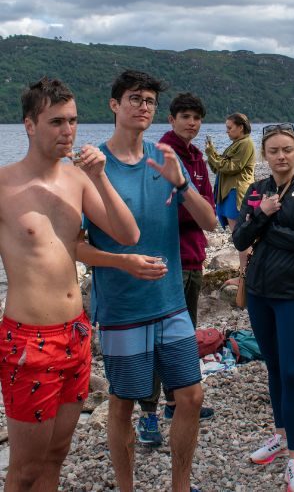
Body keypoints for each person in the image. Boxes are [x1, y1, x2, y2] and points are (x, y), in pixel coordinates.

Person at [78, 70, 218, 492]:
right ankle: (126, 488)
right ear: (114, 105)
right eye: (134, 98)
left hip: (171, 300)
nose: (143, 107)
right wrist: (122, 263)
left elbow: (210, 222)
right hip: (123, 308)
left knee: (191, 396)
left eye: (150, 101)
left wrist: (182, 184)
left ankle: (180, 485)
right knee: (123, 402)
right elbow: (74, 246)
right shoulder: (93, 166)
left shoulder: (165, 160)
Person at [0, 78, 139, 492]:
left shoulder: (77, 180)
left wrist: (99, 177)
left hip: (76, 332)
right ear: (29, 125)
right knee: (24, 468)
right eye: (57, 121)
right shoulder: (4, 185)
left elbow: (127, 234)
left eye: (74, 121)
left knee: (56, 457)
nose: (68, 131)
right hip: (27, 340)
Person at [232, 123, 294, 492]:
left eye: (287, 149)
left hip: (291, 294)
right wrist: (261, 215)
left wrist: (266, 226)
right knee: (272, 367)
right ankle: (279, 435)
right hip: (258, 292)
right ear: (266, 154)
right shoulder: (257, 190)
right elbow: (239, 236)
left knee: (290, 373)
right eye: (274, 151)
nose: (281, 156)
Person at [136, 92, 217, 432]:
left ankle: (176, 402)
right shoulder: (159, 155)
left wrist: (192, 208)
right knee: (155, 337)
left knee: (182, 337)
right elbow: (159, 209)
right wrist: (191, 207)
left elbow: (207, 211)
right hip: (164, 261)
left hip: (193, 257)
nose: (191, 123)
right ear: (170, 119)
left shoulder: (197, 157)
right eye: (185, 116)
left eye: (196, 117)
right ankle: (149, 413)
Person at [205, 112, 256, 272]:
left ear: (240, 127)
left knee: (240, 236)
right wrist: (211, 153)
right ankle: (246, 272)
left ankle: (246, 274)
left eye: (229, 128)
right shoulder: (236, 143)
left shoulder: (246, 143)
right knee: (238, 235)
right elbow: (218, 168)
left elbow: (231, 167)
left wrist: (212, 156)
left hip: (235, 193)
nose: (227, 131)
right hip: (229, 193)